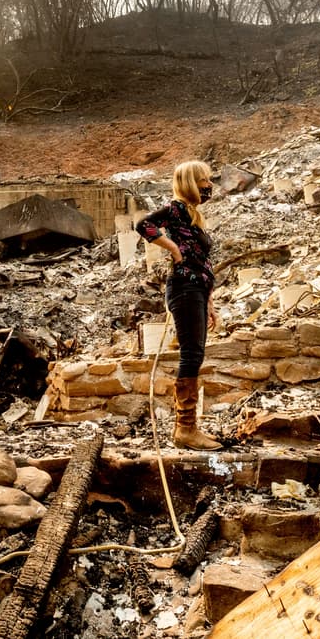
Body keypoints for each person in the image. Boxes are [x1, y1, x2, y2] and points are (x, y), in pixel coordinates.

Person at [135, 160, 222, 451]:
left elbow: (202, 262)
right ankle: (184, 429)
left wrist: (210, 300)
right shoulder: (176, 208)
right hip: (184, 289)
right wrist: (172, 249)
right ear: (188, 183)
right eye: (203, 181)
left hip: (196, 290)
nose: (208, 186)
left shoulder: (192, 215)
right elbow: (142, 225)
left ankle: (189, 427)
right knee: (191, 354)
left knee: (195, 354)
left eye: (208, 180)